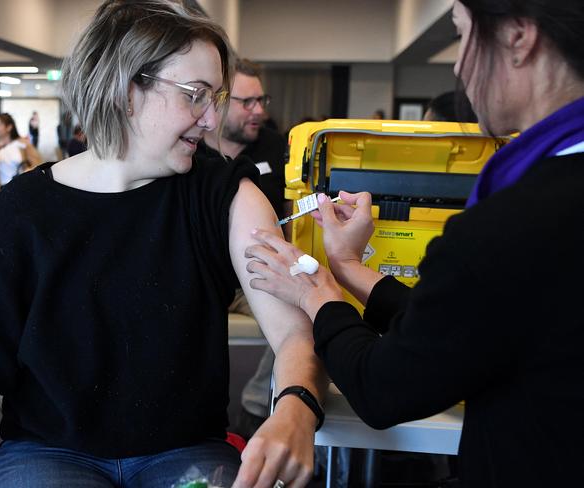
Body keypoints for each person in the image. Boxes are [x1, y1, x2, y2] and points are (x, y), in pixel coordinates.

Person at [0, 2, 325, 487]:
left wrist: (296, 407)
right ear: (125, 91)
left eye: (215, 98)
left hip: (184, 450)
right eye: (195, 96)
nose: (210, 120)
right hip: (49, 450)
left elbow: (293, 330)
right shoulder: (25, 211)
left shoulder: (223, 194)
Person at [245, 1, 584, 487]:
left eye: (463, 34)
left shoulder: (513, 222)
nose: (458, 63)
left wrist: (313, 290)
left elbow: (383, 388)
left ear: (517, 37)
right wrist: (345, 264)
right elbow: (475, 320)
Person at [195, 58, 289, 440]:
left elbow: (290, 213)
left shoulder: (275, 146)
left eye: (261, 100)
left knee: (302, 308)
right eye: (247, 102)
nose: (259, 110)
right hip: (205, 269)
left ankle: (254, 405)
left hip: (253, 273)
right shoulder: (189, 148)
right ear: (218, 103)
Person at [0, 113, 42, 194]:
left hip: (22, 185)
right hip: (3, 189)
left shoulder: (22, 143)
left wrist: (29, 170)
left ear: (9, 127)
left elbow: (38, 162)